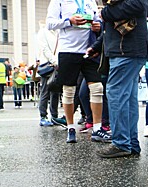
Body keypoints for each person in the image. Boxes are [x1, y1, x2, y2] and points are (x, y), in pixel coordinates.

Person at [46, 0, 109, 144]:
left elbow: (97, 20)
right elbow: (50, 23)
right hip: (68, 51)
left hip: (89, 50)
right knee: (69, 91)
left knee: (97, 88)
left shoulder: (90, 1)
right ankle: (70, 127)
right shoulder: (59, 1)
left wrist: (97, 25)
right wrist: (69, 21)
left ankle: (97, 128)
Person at [91, 0, 147, 157]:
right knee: (127, 97)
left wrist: (106, 12)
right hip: (128, 49)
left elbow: (138, 5)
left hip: (125, 49)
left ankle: (121, 142)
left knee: (116, 93)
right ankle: (130, 142)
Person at [37, 22, 59, 127]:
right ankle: (43, 116)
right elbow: (44, 48)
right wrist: (54, 61)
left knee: (55, 91)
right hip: (47, 64)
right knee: (45, 91)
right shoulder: (43, 31)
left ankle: (54, 116)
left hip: (58, 65)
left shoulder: (59, 31)